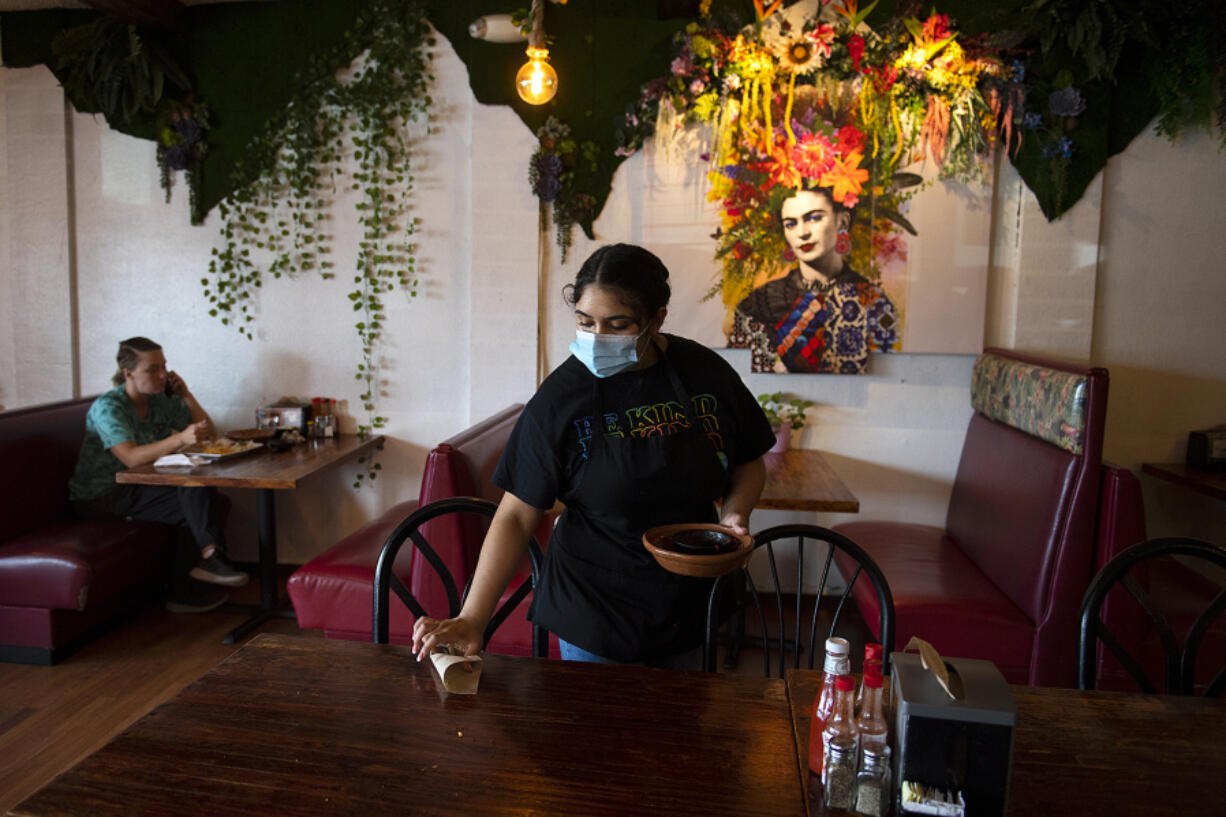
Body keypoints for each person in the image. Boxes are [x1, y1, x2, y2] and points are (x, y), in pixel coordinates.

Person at [412, 244, 776, 669]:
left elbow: (749, 461)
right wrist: (473, 617)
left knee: (681, 733)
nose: (598, 337)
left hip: (692, 602)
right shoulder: (561, 398)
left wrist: (734, 517)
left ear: (656, 318)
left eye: (617, 324)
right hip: (596, 611)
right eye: (586, 323)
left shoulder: (704, 373)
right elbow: (515, 514)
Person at [69, 336, 248, 613]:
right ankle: (204, 568)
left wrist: (186, 396)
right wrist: (180, 440)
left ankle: (196, 577)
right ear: (128, 373)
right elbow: (129, 457)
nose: (163, 375)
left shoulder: (159, 400)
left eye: (164, 366)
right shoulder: (109, 408)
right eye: (153, 369)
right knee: (194, 496)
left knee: (200, 493)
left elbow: (209, 435)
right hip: (103, 494)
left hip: (140, 487)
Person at [733, 186, 899, 374]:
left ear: (842, 221)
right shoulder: (759, 304)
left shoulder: (873, 302)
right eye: (790, 224)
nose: (802, 233)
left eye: (814, 218)